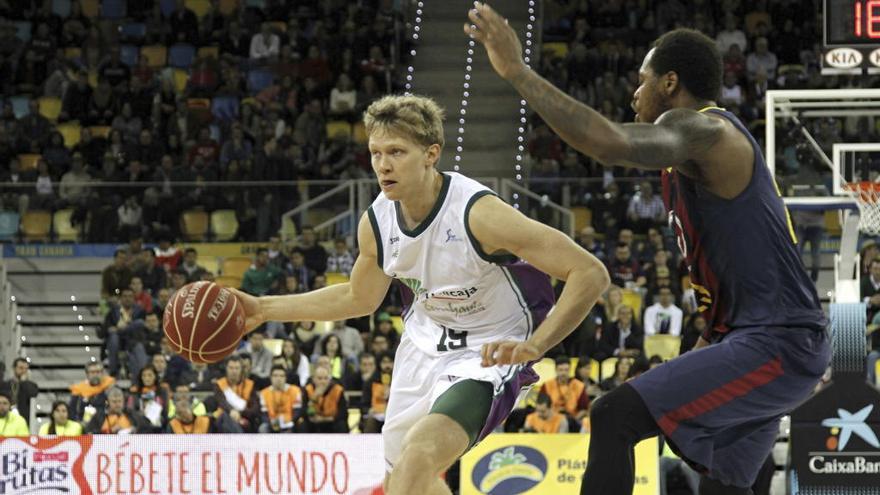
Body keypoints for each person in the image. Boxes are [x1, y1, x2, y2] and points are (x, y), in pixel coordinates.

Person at [469, 8, 830, 495]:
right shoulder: (691, 157)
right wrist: (706, 344)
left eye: (643, 80)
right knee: (723, 480)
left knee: (614, 414)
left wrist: (516, 71)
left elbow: (608, 142)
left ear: (670, 82)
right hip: (754, 338)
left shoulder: (705, 130)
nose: (634, 92)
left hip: (779, 344)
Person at [229, 94, 609, 494]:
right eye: (376, 152)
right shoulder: (376, 221)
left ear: (431, 154)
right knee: (407, 481)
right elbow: (359, 298)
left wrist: (537, 345)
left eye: (396, 151)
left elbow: (589, 272)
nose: (383, 164)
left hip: (488, 353)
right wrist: (261, 307)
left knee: (418, 459)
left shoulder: (479, 215)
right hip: (422, 347)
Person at [258, 366, 302, 433]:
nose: (278, 379)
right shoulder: (264, 393)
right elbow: (264, 414)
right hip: (271, 424)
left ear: (285, 378)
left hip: (290, 423)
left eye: (282, 376)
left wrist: (289, 422)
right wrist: (272, 423)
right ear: (270, 378)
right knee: (263, 427)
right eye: (275, 376)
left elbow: (297, 412)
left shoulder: (295, 391)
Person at [0, 357, 39, 424]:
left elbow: (33, 394)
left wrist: (24, 382)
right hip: (6, 418)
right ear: (14, 368)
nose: (24, 371)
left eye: (26, 369)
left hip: (24, 420)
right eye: (21, 368)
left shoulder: (32, 385)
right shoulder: (4, 385)